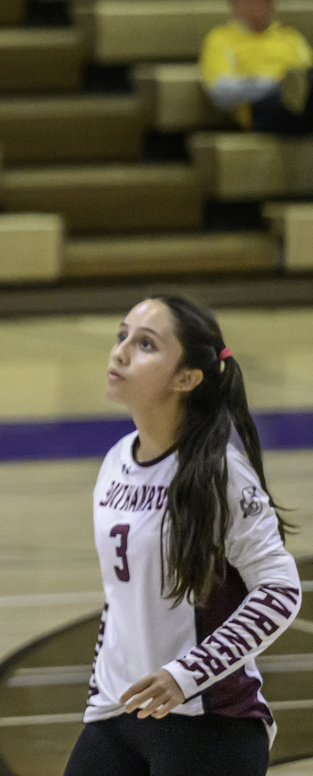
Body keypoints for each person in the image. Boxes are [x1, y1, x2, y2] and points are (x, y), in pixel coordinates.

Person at [61, 294, 300, 776]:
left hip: (210, 724)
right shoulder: (114, 465)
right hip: (118, 715)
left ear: (186, 378)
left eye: (145, 344)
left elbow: (280, 591)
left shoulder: (219, 472)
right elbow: (120, 600)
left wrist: (187, 674)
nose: (121, 351)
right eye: (122, 335)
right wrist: (99, 696)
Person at [199, 0, 313, 136]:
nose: (254, 3)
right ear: (233, 4)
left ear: (272, 3)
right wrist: (274, 84)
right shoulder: (220, 39)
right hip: (260, 108)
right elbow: (220, 91)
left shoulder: (291, 38)